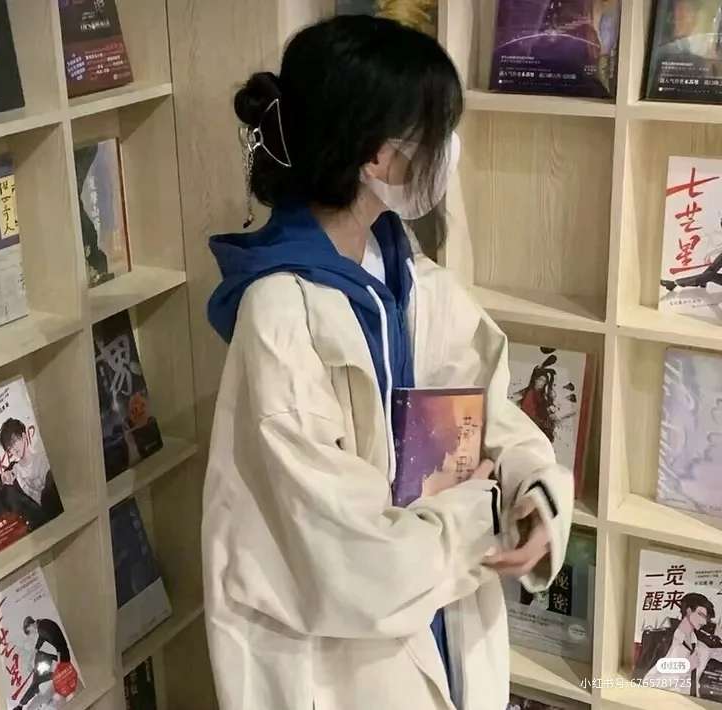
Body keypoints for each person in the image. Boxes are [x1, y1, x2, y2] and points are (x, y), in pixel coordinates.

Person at [202, 15, 573, 710]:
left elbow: (483, 407)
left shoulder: (403, 268)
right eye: (435, 131)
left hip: (441, 614)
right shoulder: (280, 315)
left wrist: (533, 489)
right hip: (346, 663)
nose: (448, 150)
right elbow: (351, 561)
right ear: (377, 158)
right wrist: (486, 512)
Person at [0, 418, 63, 532]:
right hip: (36, 529)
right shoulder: (13, 471)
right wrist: (3, 484)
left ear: (24, 437)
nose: (13, 449)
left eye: (14, 442)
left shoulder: (43, 459)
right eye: (9, 448)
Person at [634, 593, 722, 697]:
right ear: (689, 611)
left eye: (706, 618)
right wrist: (685, 668)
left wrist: (718, 631)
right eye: (701, 615)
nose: (704, 622)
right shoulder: (667, 642)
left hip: (694, 702)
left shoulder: (703, 647)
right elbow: (648, 682)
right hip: (663, 699)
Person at [13, 616, 72, 710]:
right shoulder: (43, 625)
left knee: (38, 680)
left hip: (60, 656)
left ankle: (22, 704)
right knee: (38, 680)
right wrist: (30, 659)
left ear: (30, 625)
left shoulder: (42, 629)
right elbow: (40, 642)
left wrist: (59, 664)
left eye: (29, 631)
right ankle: (23, 703)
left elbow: (58, 646)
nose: (32, 633)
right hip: (56, 656)